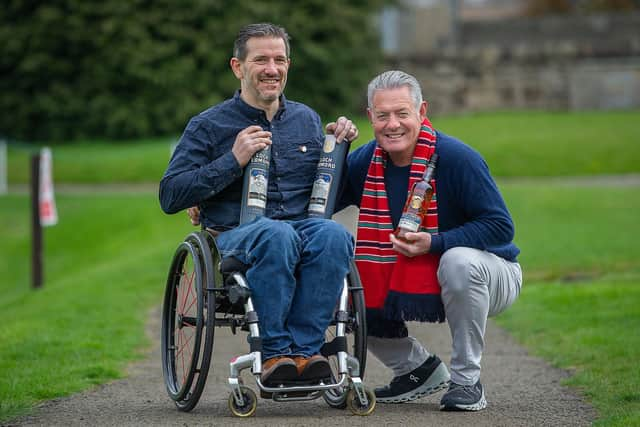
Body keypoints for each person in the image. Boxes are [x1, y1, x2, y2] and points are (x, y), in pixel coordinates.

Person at [159, 22, 359, 386]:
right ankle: (275, 353)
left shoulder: (307, 119)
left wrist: (338, 145)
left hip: (302, 230)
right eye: (261, 60)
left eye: (279, 59)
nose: (272, 69)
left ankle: (305, 353)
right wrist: (231, 161)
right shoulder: (208, 125)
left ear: (288, 65)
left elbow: (328, 190)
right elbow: (170, 195)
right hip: (238, 235)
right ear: (238, 67)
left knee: (333, 235)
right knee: (275, 233)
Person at [340, 70, 523, 411]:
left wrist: (436, 243)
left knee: (457, 261)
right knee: (337, 272)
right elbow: (320, 205)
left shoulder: (456, 158)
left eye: (402, 113)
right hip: (414, 273)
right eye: (382, 116)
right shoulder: (365, 161)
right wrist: (335, 151)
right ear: (370, 117)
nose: (392, 124)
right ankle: (415, 368)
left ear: (421, 112)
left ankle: (467, 383)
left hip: (490, 273)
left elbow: (500, 227)